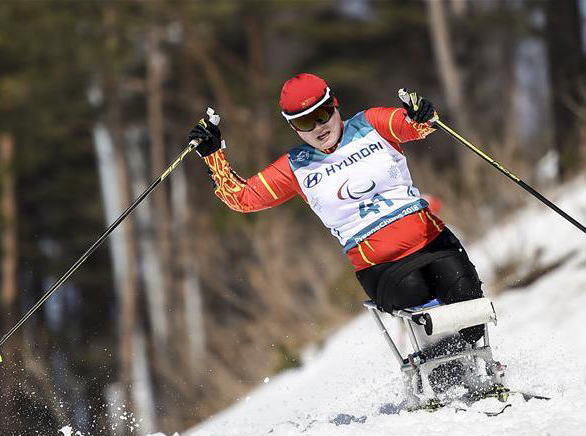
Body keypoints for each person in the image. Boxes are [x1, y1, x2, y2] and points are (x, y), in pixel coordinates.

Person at [189, 73, 484, 345]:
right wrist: (213, 154)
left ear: (334, 104)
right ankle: (441, 368)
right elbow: (241, 198)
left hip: (431, 241)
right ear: (293, 126)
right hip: (381, 265)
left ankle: (480, 364)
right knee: (413, 291)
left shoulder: (371, 124)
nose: (319, 127)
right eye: (305, 123)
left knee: (464, 291)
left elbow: (417, 126)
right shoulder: (296, 167)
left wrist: (422, 113)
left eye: (322, 114)